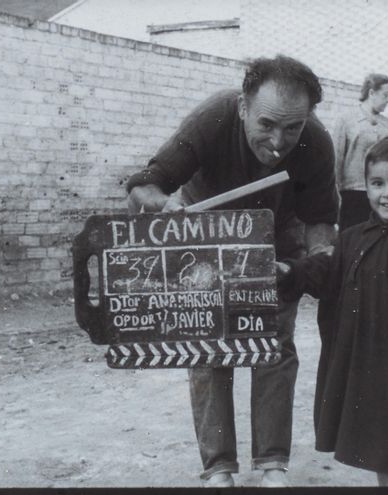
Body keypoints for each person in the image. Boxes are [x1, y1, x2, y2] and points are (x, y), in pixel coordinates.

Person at [126, 55, 339, 488]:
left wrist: (316, 263)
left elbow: (320, 223)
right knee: (207, 350)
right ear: (243, 106)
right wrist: (164, 206)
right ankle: (218, 468)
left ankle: (272, 463)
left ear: (308, 119)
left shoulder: (315, 142)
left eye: (292, 127)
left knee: (274, 347)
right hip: (203, 240)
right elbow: (146, 185)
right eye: (266, 124)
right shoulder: (212, 117)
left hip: (277, 243)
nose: (278, 141)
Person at [277, 135, 388, 487]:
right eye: (378, 183)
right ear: (365, 186)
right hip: (359, 361)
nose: (387, 193)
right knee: (376, 444)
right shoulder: (353, 237)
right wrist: (293, 272)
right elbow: (328, 277)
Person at [333, 73, 388, 230]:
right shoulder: (346, 120)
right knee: (351, 242)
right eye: (385, 95)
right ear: (371, 93)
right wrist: (335, 196)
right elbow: (336, 160)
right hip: (352, 194)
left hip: (382, 195)